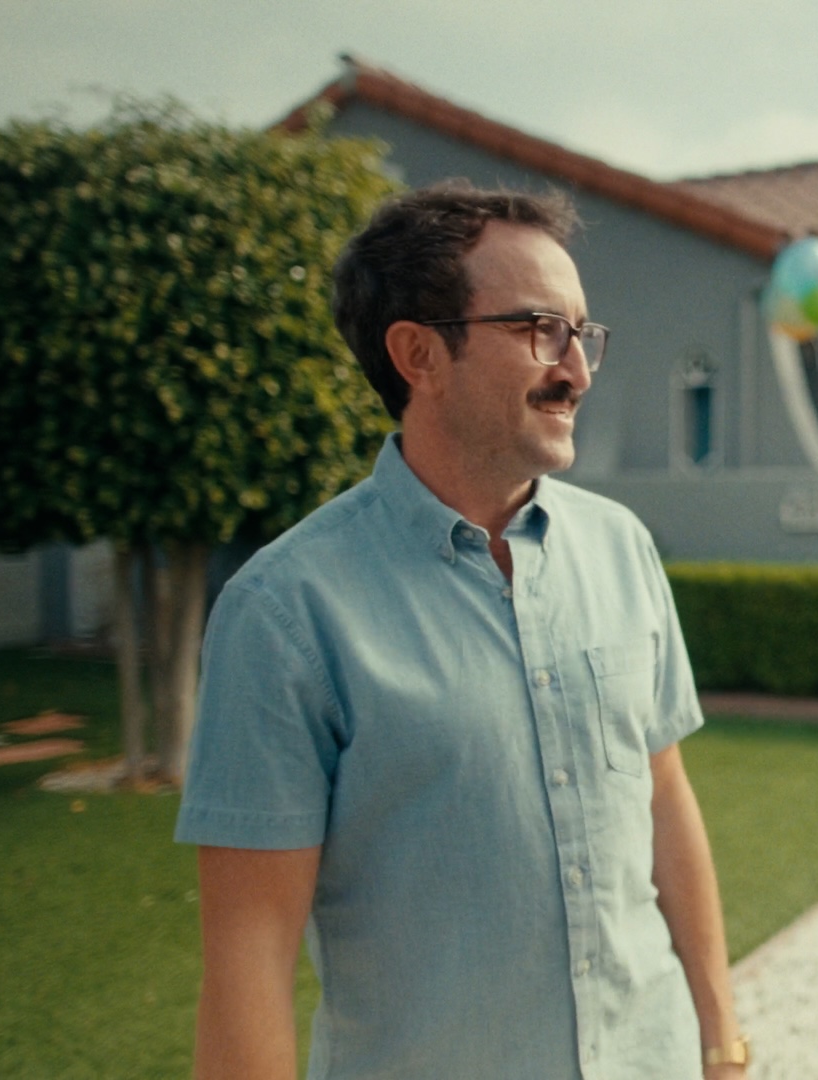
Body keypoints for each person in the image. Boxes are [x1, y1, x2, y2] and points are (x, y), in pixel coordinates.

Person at [177, 185, 748, 1080]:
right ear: (417, 353)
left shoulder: (622, 548)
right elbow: (249, 958)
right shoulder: (286, 614)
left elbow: (664, 800)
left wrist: (721, 1038)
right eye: (537, 330)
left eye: (582, 333)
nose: (577, 371)